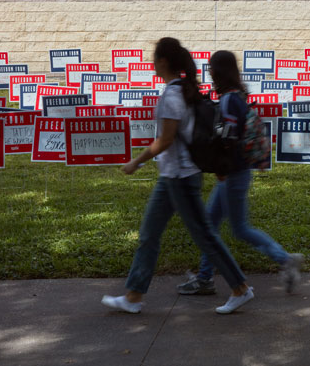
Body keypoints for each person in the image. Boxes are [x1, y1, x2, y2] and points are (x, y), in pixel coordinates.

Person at [101, 37, 254, 315]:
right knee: (149, 234)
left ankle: (240, 288)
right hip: (171, 176)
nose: (151, 62)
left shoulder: (173, 95)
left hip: (182, 177)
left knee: (204, 234)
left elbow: (166, 140)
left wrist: (135, 162)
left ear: (163, 62)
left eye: (154, 58)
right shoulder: (181, 90)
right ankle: (133, 296)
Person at [176, 50, 304, 296]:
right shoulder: (235, 96)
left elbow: (229, 138)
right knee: (210, 224)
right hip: (235, 171)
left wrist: (222, 169)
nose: (209, 72)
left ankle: (285, 259)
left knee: (240, 228)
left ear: (219, 71)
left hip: (233, 173)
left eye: (212, 68)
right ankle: (204, 278)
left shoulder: (228, 100)